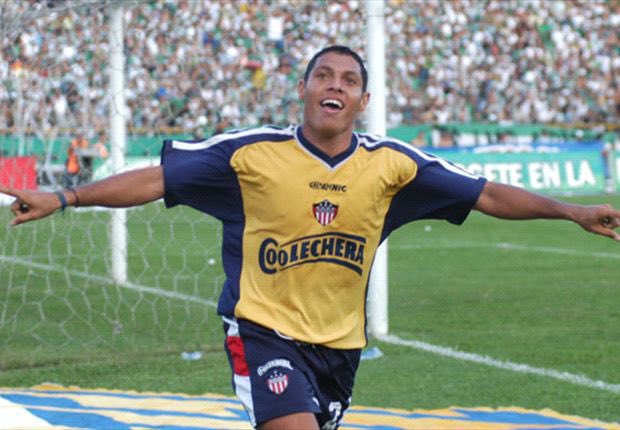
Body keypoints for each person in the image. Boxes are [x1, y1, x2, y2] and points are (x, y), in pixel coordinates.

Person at [2, 45, 620, 430]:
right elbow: (158, 178)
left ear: (363, 99)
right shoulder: (250, 155)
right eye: (322, 74)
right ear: (303, 89)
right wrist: (65, 197)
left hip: (340, 346)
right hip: (260, 328)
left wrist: (570, 212)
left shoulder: (393, 165)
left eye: (348, 79)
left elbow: (485, 192)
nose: (334, 84)